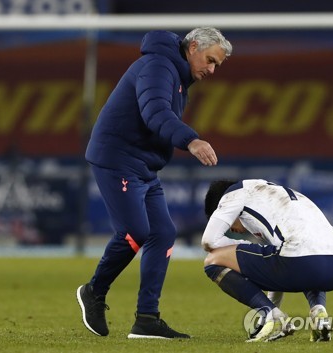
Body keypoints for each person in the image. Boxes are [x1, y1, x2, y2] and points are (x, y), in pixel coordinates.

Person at [76, 27, 233, 339]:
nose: (212, 70)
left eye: (217, 65)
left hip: (142, 166)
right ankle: (93, 291)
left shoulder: (175, 73)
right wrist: (191, 141)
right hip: (117, 159)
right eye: (210, 60)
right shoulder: (158, 67)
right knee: (136, 232)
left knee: (162, 234)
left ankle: (147, 318)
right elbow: (155, 113)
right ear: (192, 47)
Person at [201, 179, 333, 342]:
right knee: (295, 253)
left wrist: (239, 247)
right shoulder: (274, 194)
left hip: (302, 261)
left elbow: (209, 241)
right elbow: (276, 265)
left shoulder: (233, 194)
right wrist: (274, 309)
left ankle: (271, 315)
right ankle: (318, 312)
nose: (230, 228)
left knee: (213, 260)